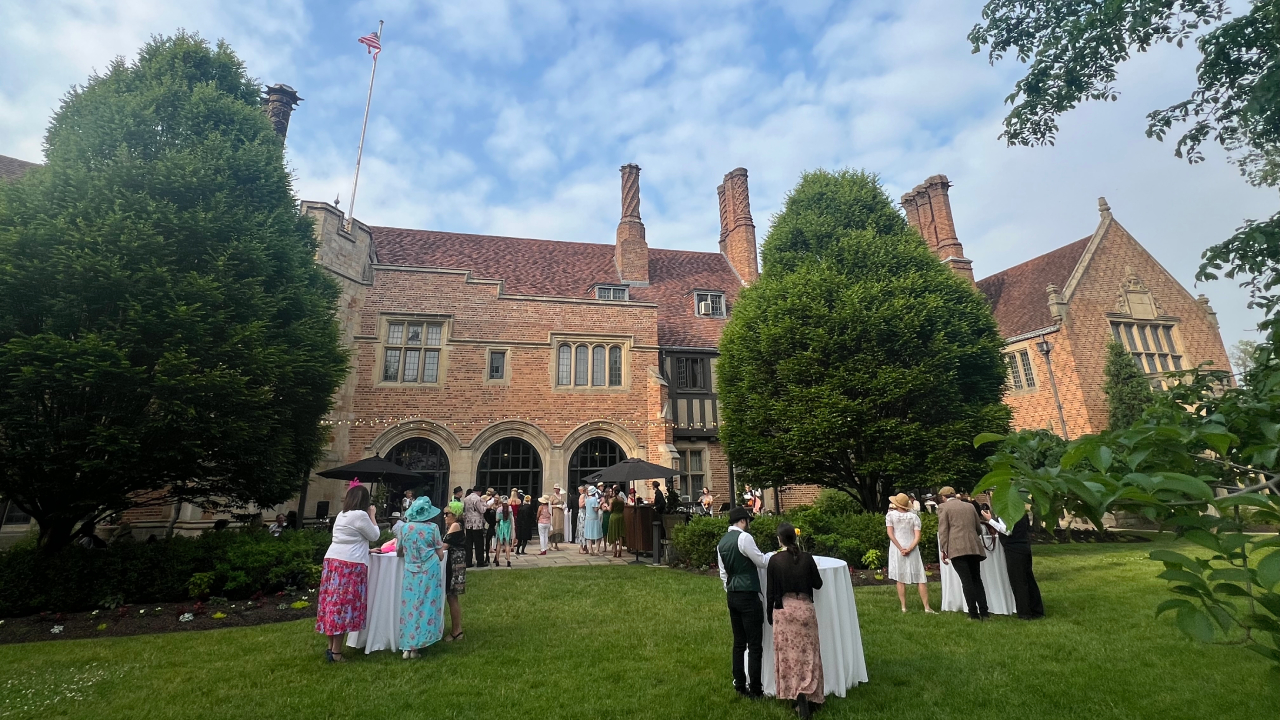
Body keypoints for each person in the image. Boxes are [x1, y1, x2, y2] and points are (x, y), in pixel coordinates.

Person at [316, 484, 381, 663]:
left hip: (333, 561)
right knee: (343, 606)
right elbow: (374, 534)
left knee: (332, 604)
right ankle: (337, 652)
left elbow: (348, 539)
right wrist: (372, 515)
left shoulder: (341, 515)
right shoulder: (360, 515)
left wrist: (367, 551)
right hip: (349, 566)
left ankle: (331, 647)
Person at [767, 522, 824, 719]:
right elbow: (818, 583)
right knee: (810, 656)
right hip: (805, 609)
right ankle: (810, 697)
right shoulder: (807, 558)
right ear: (795, 537)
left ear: (779, 540)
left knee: (789, 658)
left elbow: (771, 591)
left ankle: (796, 697)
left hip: (784, 611)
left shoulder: (775, 561)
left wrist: (769, 615)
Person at [718, 507, 768, 699]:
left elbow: (723, 573)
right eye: (748, 521)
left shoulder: (722, 542)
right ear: (742, 521)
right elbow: (761, 561)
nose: (749, 524)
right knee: (755, 644)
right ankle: (756, 689)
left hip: (732, 594)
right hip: (748, 593)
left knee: (739, 642)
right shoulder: (744, 538)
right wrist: (774, 556)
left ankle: (739, 683)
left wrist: (730, 588)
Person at [396, 497, 445, 659]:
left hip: (411, 570)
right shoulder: (433, 528)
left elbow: (399, 551)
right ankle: (419, 642)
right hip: (429, 570)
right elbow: (440, 554)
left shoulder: (405, 528)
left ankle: (407, 645)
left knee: (410, 606)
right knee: (426, 606)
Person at [936, 486, 989, 620]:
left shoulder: (943, 508)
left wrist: (944, 549)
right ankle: (984, 612)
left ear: (943, 497)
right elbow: (978, 528)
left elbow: (943, 531)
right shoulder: (970, 506)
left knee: (966, 581)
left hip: (957, 548)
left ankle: (973, 614)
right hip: (973, 547)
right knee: (977, 579)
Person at [886, 493, 935, 614]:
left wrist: (900, 548)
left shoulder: (890, 515)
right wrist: (910, 548)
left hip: (898, 549)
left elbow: (890, 534)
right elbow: (917, 536)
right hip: (911, 547)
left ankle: (903, 607)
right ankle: (926, 607)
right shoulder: (914, 517)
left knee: (900, 578)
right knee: (920, 577)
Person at [1000, 509, 1045, 619]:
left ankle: (1024, 612)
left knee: (1018, 581)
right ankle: (1037, 610)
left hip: (1013, 548)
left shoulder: (1005, 513)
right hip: (1024, 545)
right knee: (1029, 579)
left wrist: (990, 521)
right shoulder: (1022, 513)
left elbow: (1007, 530)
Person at [441, 508, 466, 641]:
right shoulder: (454, 525)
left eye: (447, 514)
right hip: (454, 562)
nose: (445, 517)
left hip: (454, 564)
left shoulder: (456, 525)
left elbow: (445, 544)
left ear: (455, 515)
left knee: (452, 596)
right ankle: (456, 629)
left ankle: (457, 630)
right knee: (451, 596)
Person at [462, 488, 486, 568]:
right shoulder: (478, 499)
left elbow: (464, 510)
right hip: (477, 523)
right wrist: (486, 506)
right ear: (479, 492)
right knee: (479, 544)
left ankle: (468, 561)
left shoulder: (466, 499)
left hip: (468, 523)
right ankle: (480, 562)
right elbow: (482, 510)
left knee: (469, 543)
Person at [494, 496, 514, 567]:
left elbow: (497, 519)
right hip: (508, 526)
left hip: (501, 526)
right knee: (507, 543)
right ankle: (508, 560)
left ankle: (497, 560)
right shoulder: (510, 508)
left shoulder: (499, 509)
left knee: (499, 543)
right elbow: (511, 518)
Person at [583, 487, 604, 555]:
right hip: (594, 519)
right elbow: (595, 509)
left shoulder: (586, 499)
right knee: (599, 535)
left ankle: (590, 549)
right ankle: (596, 550)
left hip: (588, 518)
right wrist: (600, 504)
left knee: (589, 535)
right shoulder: (594, 499)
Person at [607, 487, 626, 558]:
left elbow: (610, 510)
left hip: (614, 517)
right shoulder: (622, 500)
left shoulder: (612, 500)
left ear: (614, 492)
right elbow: (623, 509)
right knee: (620, 534)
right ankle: (620, 549)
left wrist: (607, 506)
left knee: (614, 533)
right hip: (621, 516)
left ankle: (614, 551)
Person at [549, 485, 565, 551]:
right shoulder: (552, 496)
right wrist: (556, 505)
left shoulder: (561, 496)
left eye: (557, 489)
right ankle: (551, 544)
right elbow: (549, 505)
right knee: (554, 528)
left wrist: (563, 506)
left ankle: (556, 544)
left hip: (560, 514)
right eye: (555, 489)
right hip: (555, 514)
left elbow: (564, 503)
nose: (556, 490)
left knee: (559, 528)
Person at [577, 485, 589, 554]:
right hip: (582, 514)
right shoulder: (582, 496)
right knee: (581, 530)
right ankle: (581, 547)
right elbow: (580, 505)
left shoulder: (587, 496)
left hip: (586, 514)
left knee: (585, 531)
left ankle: (585, 546)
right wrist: (586, 502)